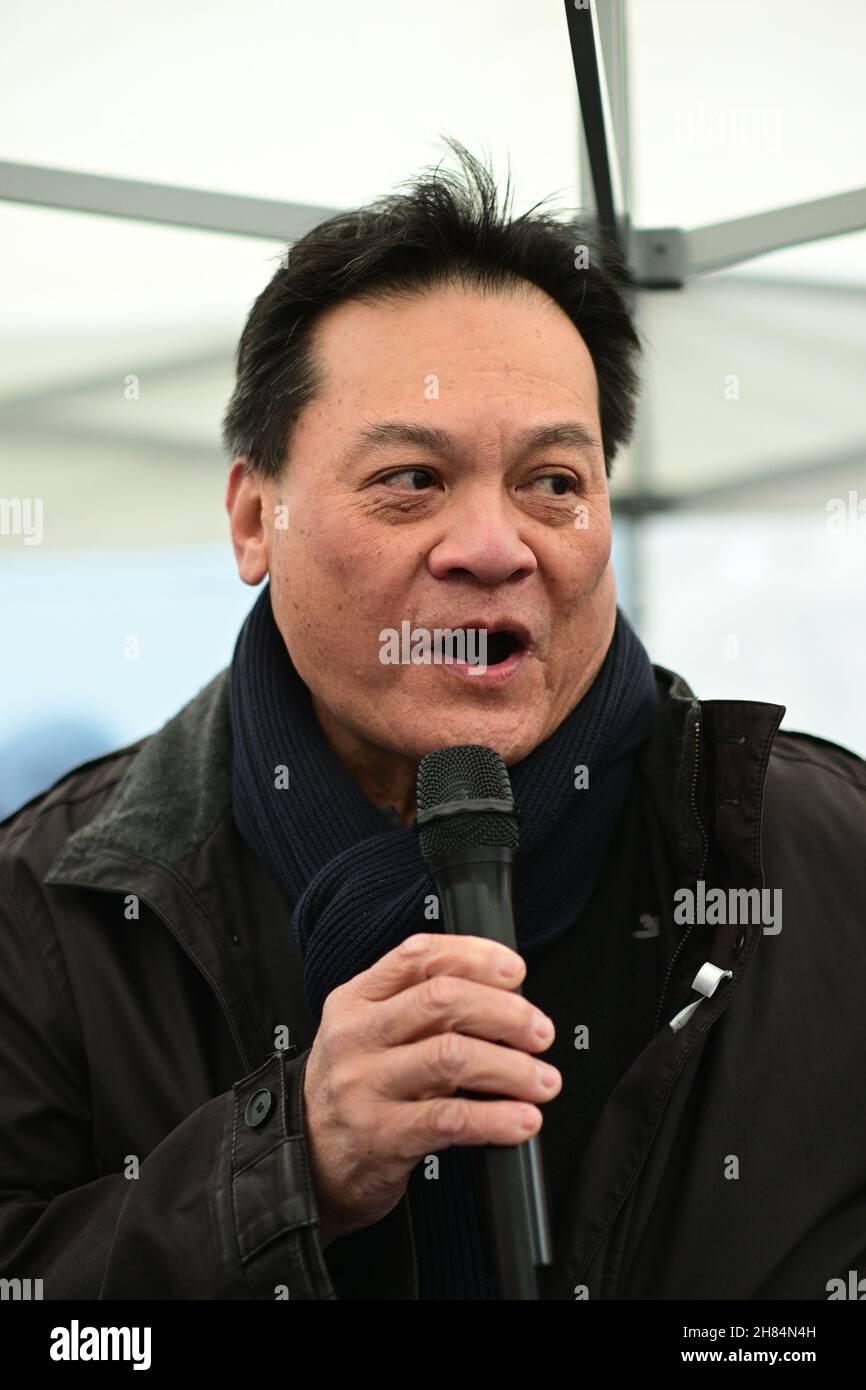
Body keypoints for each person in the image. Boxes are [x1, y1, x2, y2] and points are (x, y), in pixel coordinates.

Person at [1, 142, 864, 1301]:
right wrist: (282, 1165)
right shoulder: (56, 910)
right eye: (410, 478)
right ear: (255, 517)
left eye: (553, 481)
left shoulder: (823, 860)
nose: (493, 546)